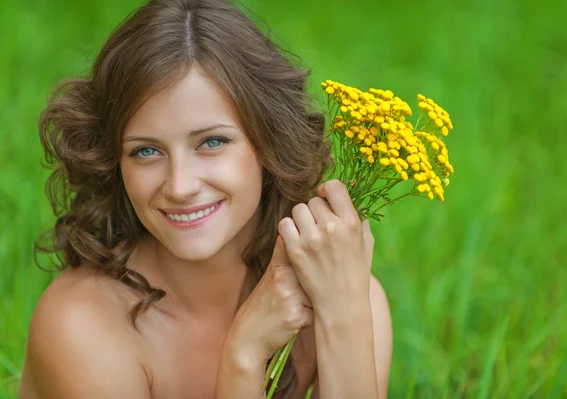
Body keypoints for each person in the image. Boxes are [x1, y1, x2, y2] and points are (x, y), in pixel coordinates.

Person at [18, 0, 393, 397]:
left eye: (212, 142)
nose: (179, 186)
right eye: (146, 151)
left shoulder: (346, 297)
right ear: (114, 163)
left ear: (269, 143)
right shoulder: (82, 326)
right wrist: (242, 358)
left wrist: (343, 316)